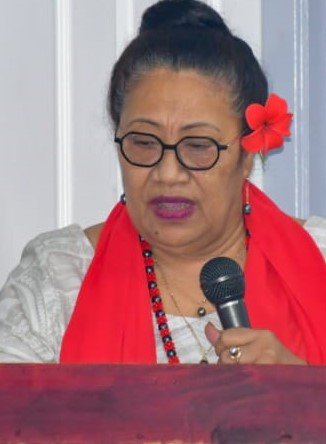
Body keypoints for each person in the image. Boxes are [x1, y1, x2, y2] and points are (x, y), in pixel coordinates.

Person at [0, 0, 326, 365]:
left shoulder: (321, 258)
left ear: (247, 155)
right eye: (143, 142)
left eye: (199, 146)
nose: (168, 173)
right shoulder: (59, 281)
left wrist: (306, 395)